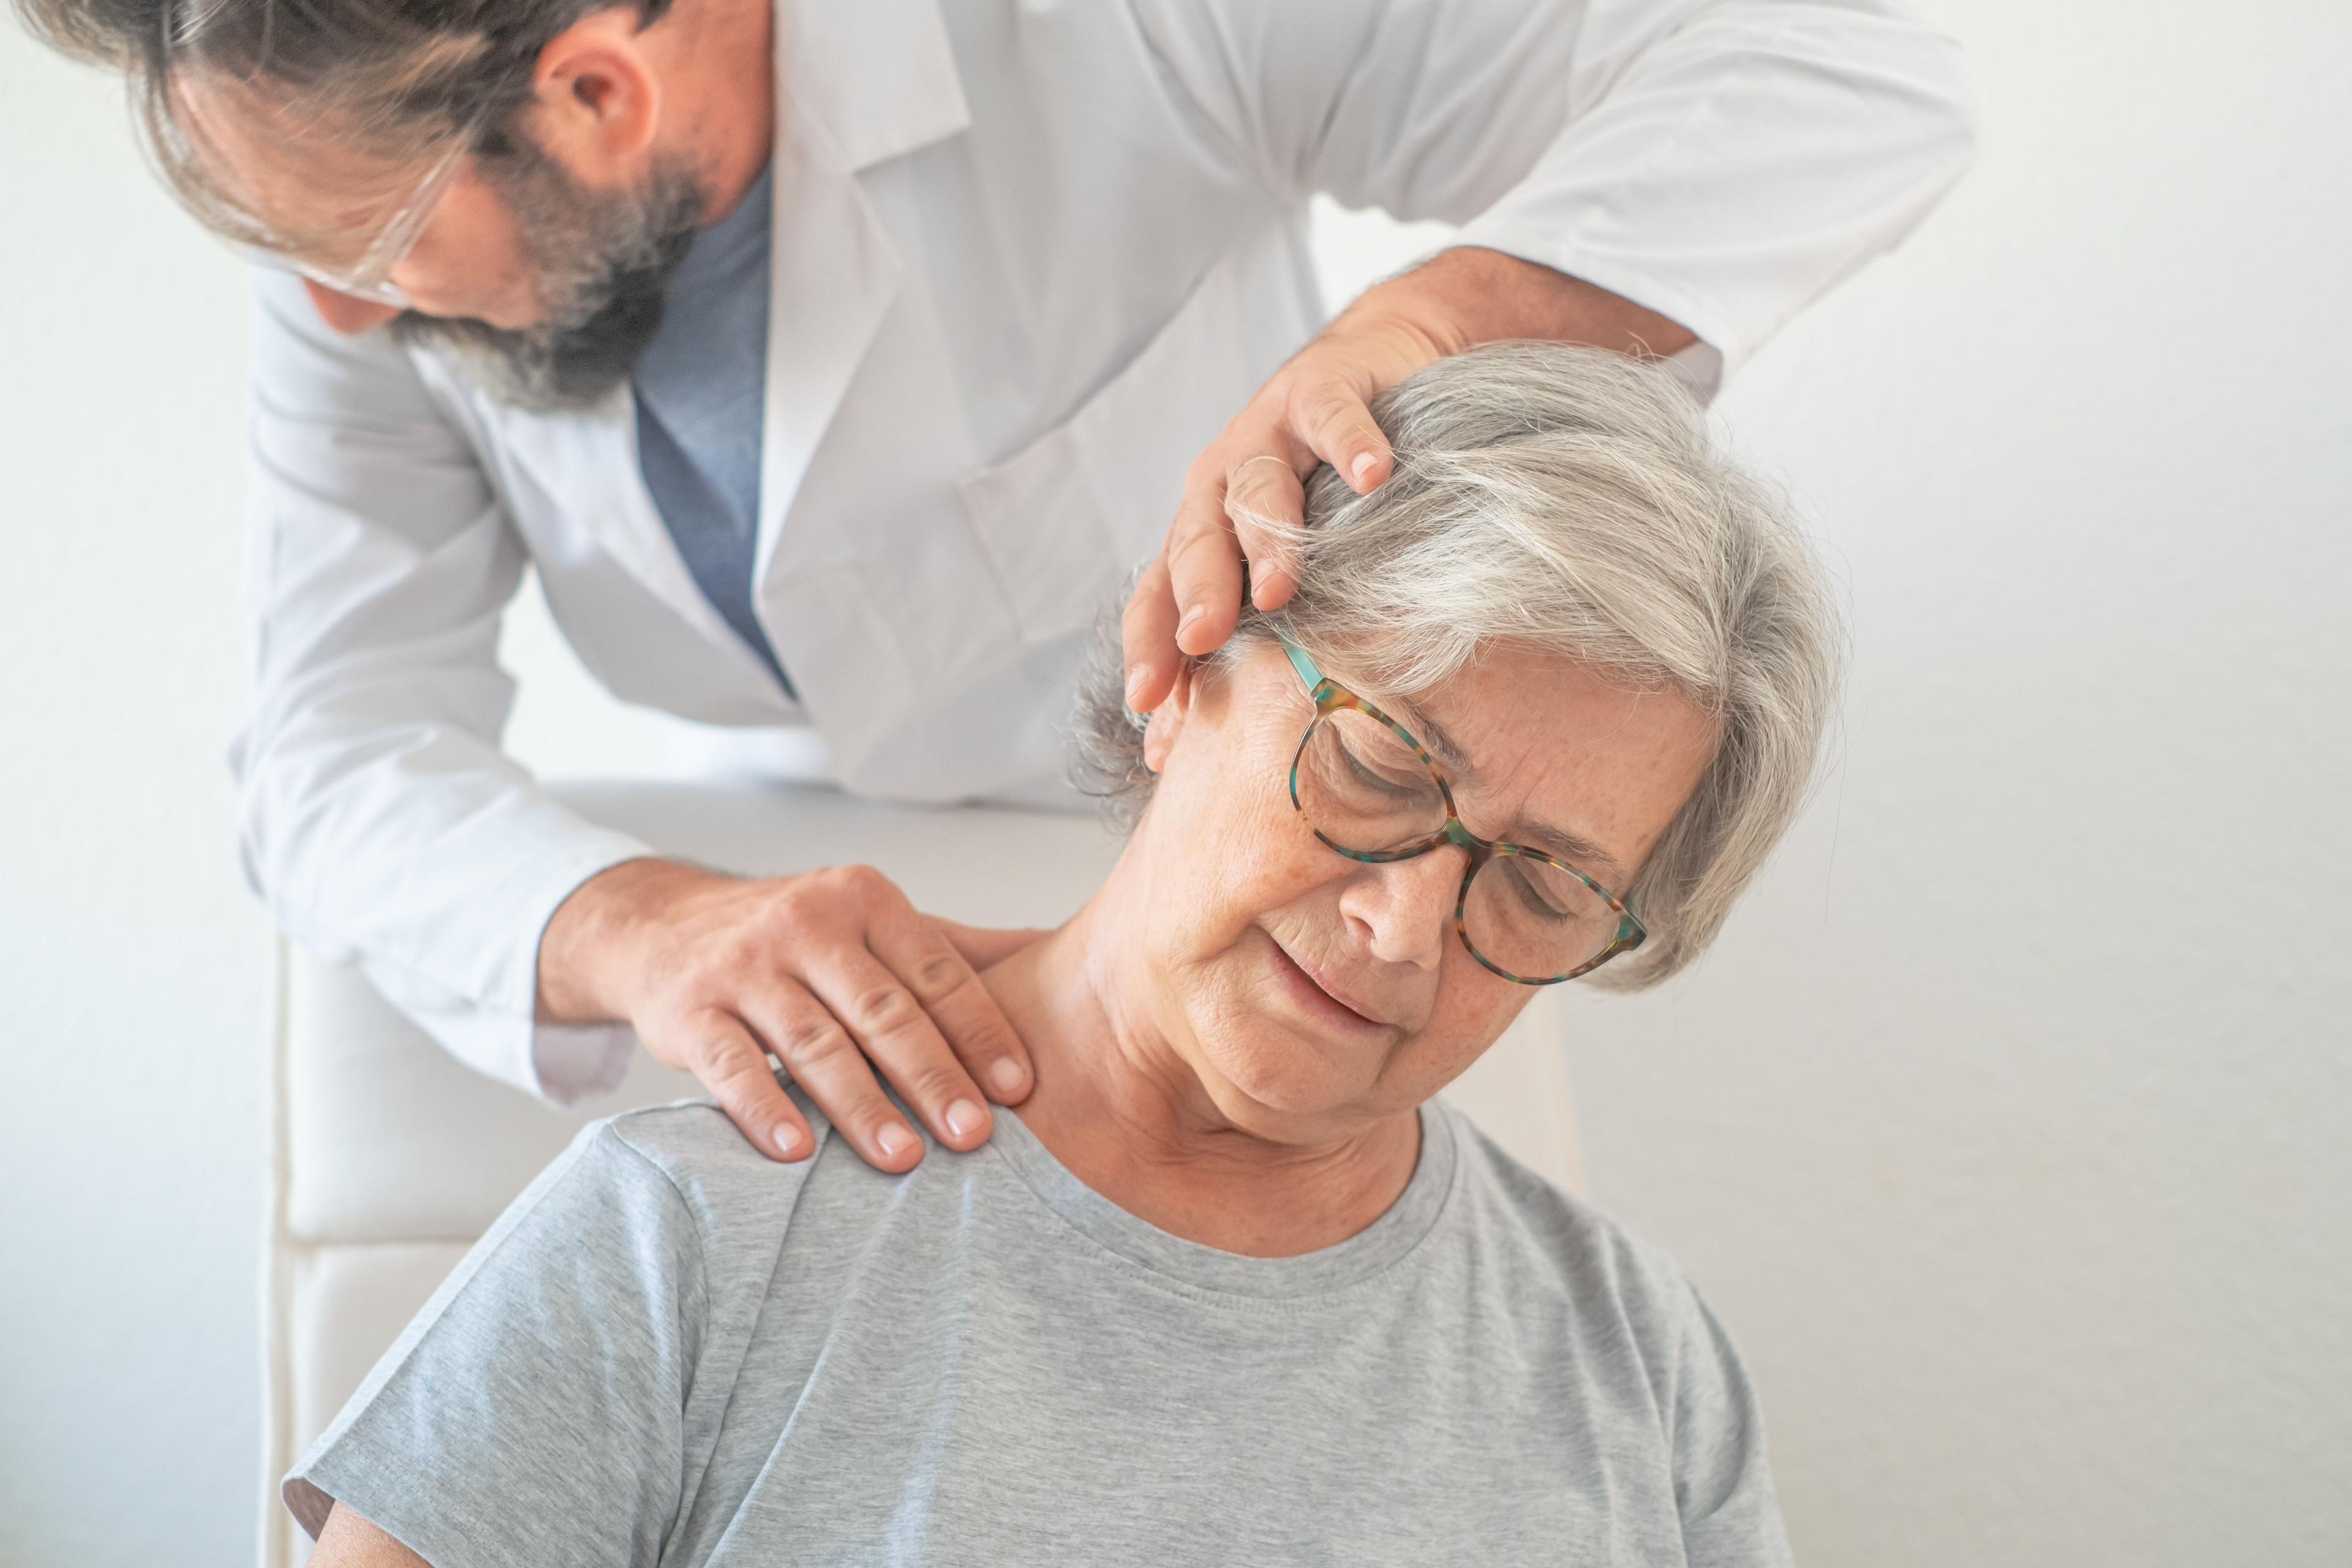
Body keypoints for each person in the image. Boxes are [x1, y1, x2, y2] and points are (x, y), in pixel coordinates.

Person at [16, 0, 1969, 1169]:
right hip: (836, 970)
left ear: (599, 95)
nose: (326, 305)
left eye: (353, 231)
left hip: (1277, 939)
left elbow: (1837, 69)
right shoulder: (366, 288)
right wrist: (638, 931)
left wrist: (1433, 315)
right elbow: (332, 741)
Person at [281, 343, 1841, 1565]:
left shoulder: (1635, 1354)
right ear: (1183, 668)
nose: (1404, 925)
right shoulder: (689, 1236)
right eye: (1379, 764)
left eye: (1550, 886)